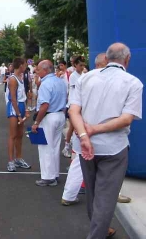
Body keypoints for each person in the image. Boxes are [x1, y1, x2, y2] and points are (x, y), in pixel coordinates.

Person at [69, 43, 143, 239]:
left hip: (85, 146)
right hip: (113, 147)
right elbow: (126, 119)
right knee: (106, 198)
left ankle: (99, 228)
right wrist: (94, 129)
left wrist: (84, 135)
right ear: (127, 60)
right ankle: (97, 233)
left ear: (107, 58)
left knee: (93, 192)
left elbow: (73, 111)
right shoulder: (133, 83)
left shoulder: (85, 78)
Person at [61, 53, 106, 206]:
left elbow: (75, 106)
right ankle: (106, 196)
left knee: (79, 163)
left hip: (84, 126)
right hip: (91, 127)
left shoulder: (85, 78)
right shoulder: (87, 79)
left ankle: (69, 195)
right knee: (102, 163)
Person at [31, 60, 67, 187]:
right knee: (55, 146)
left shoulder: (45, 84)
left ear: (46, 70)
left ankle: (48, 177)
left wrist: (36, 122)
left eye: (39, 69)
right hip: (60, 114)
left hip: (49, 117)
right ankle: (54, 173)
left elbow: (45, 105)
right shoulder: (60, 82)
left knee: (45, 147)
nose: (36, 71)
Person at [6, 58, 31, 172]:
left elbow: (23, 96)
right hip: (13, 107)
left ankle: (19, 158)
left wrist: (25, 109)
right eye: (25, 64)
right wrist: (18, 114)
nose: (26, 66)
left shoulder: (21, 77)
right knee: (13, 135)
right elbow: (13, 99)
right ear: (21, 65)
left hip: (20, 105)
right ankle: (11, 161)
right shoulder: (12, 79)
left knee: (20, 134)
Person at [62, 56, 86, 158]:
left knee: (78, 127)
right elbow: (76, 91)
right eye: (80, 65)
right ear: (75, 65)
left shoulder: (85, 75)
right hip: (73, 105)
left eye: (83, 65)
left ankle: (73, 148)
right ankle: (67, 147)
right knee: (72, 127)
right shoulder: (73, 76)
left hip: (82, 105)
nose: (82, 67)